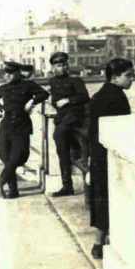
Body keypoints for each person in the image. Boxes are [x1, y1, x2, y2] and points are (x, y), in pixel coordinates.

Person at [88, 58, 135, 259]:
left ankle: (99, 241)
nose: (133, 79)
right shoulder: (118, 98)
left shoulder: (100, 95)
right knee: (111, 195)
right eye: (129, 75)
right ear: (115, 77)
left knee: (100, 196)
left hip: (97, 154)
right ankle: (103, 241)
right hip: (109, 155)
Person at [0, 61, 49, 199]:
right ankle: (13, 190)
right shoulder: (3, 87)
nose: (7, 76)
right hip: (6, 125)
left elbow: (44, 94)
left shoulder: (28, 85)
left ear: (17, 73)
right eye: (6, 73)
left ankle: (0, 183)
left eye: (10, 73)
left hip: (22, 125)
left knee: (16, 156)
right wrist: (1, 109)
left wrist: (31, 102)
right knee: (5, 156)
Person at [48, 52, 90, 197]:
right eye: (59, 65)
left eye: (65, 64)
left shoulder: (76, 80)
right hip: (62, 118)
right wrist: (54, 102)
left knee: (58, 135)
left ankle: (69, 184)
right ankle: (67, 186)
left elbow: (84, 97)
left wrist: (67, 100)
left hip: (75, 117)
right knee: (62, 153)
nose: (63, 68)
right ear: (53, 67)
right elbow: (54, 100)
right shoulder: (52, 81)